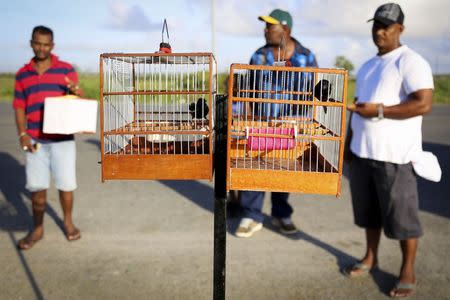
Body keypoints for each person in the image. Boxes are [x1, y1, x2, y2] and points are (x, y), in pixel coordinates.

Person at [344, 3, 433, 298]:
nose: (379, 31)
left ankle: (407, 269)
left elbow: (423, 103)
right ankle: (371, 256)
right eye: (376, 25)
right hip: (363, 153)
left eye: (387, 26)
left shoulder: (411, 62)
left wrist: (379, 110)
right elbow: (358, 108)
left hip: (395, 158)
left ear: (401, 29)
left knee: (403, 219)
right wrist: (348, 145)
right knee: (368, 215)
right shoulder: (369, 65)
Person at [235, 9, 318, 238]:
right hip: (261, 125)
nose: (265, 30)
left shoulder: (306, 57)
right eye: (265, 26)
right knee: (255, 168)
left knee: (284, 170)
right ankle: (251, 215)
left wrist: (303, 125)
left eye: (270, 26)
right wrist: (246, 119)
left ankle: (281, 214)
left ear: (286, 30)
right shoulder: (258, 56)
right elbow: (247, 93)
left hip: (291, 127)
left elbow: (314, 94)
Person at [13, 25, 83, 250]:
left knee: (66, 186)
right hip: (35, 141)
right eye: (37, 43)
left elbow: (77, 97)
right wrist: (23, 134)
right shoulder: (22, 74)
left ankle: (68, 223)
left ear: (52, 45)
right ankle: (38, 229)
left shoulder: (65, 70)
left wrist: (74, 91)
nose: (41, 48)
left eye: (46, 44)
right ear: (31, 43)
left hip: (62, 139)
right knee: (37, 191)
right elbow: (19, 106)